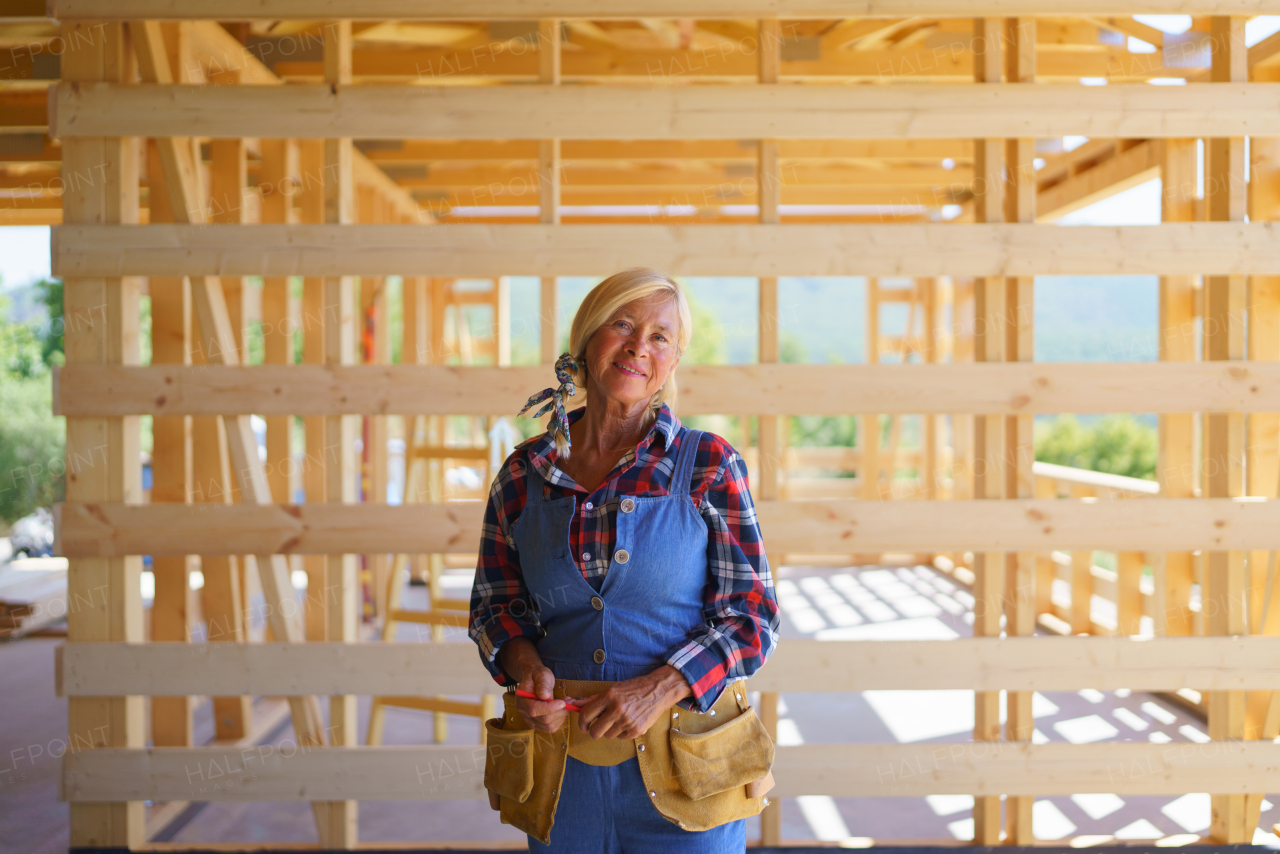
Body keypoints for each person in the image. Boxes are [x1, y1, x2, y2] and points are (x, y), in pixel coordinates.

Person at [469, 267, 780, 853]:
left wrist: (660, 688)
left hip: (690, 768)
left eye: (661, 336)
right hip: (561, 774)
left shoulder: (708, 463)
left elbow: (753, 616)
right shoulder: (524, 472)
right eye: (623, 324)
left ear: (673, 359)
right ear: (588, 340)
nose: (640, 345)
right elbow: (494, 606)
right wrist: (522, 663)